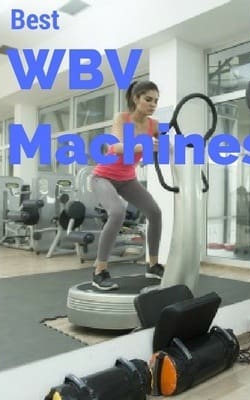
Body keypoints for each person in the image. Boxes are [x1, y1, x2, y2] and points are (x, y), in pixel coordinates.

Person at [90, 80, 165, 291]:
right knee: (117, 212)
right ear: (136, 98)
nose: (153, 104)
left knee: (155, 212)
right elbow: (115, 146)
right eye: (148, 99)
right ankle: (99, 270)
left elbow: (167, 144)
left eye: (156, 101)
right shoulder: (122, 118)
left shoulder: (154, 125)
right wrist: (144, 144)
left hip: (128, 179)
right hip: (103, 176)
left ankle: (153, 265)